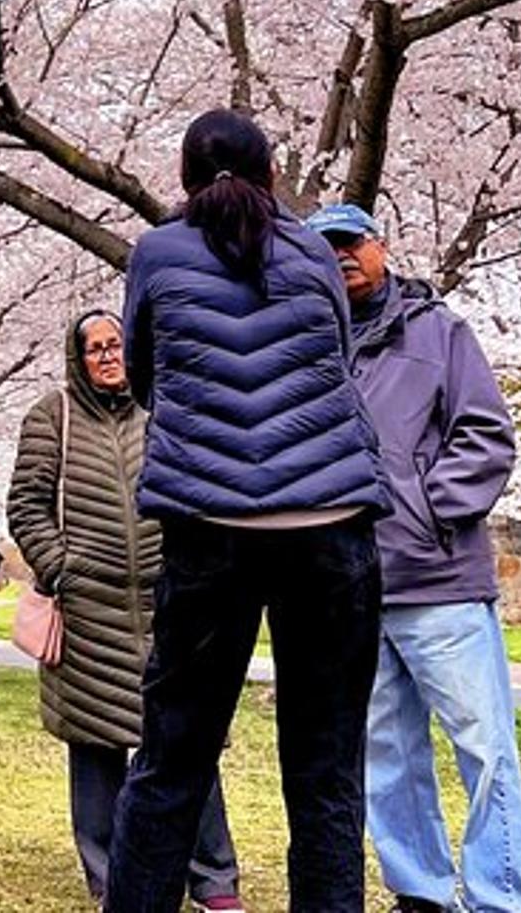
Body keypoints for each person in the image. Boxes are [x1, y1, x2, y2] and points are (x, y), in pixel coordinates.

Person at [106, 110, 386, 913]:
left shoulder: (157, 251)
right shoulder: (310, 250)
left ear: (187, 179)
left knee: (172, 762)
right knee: (327, 766)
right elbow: (336, 356)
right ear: (269, 174)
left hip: (209, 528)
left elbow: (145, 373)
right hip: (330, 524)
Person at [307, 203, 521, 913]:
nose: (342, 256)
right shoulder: (310, 343)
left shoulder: (440, 332)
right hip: (349, 587)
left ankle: (499, 895)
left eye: (352, 242)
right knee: (387, 755)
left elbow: (487, 435)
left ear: (380, 246)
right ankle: (420, 890)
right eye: (327, 248)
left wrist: (429, 509)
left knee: (486, 748)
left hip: (440, 583)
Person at [9, 312, 245, 911]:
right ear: (78, 358)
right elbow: (28, 504)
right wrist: (61, 566)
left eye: (116, 345)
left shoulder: (163, 409)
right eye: (95, 349)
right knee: (94, 746)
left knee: (187, 739)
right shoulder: (51, 416)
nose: (108, 357)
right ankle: (110, 874)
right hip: (88, 607)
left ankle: (213, 877)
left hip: (167, 601)